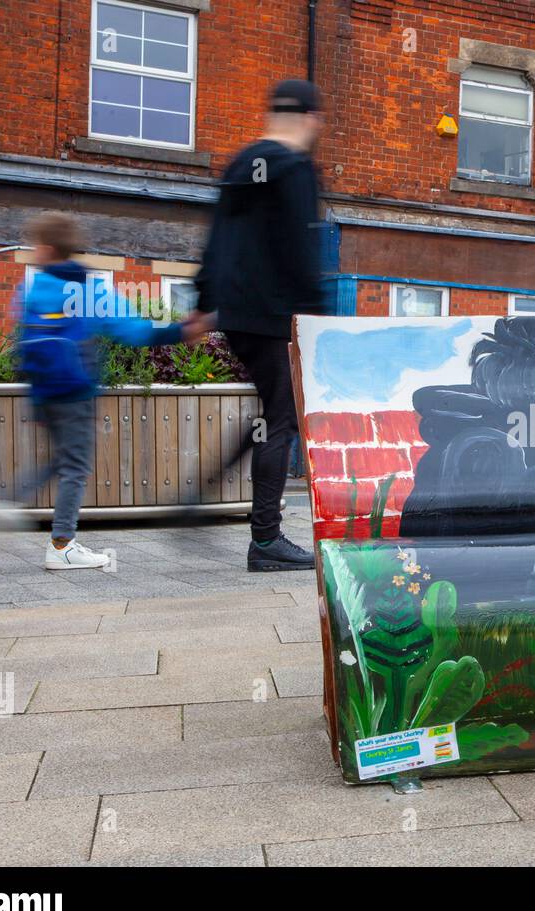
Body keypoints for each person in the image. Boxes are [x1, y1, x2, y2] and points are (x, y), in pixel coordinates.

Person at [4, 212, 206, 569]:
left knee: (62, 461)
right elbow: (134, 332)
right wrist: (180, 331)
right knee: (76, 466)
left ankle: (3, 506)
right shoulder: (88, 289)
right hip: (76, 392)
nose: (34, 251)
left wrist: (36, 401)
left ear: (48, 249)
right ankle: (62, 544)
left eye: (37, 245)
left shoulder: (32, 290)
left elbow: (22, 344)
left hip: (44, 393)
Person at [188, 79, 326, 573]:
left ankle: (204, 487)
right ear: (310, 119)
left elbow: (216, 238)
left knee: (271, 410)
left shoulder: (241, 163)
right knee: (281, 420)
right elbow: (299, 251)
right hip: (275, 316)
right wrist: (316, 317)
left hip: (237, 316)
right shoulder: (295, 169)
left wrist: (203, 302)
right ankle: (265, 540)